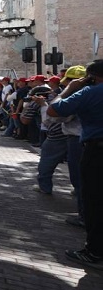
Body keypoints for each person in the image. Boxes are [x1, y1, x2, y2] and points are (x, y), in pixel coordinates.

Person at [47, 60, 103, 269]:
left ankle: (94, 252)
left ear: (92, 77)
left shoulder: (89, 92)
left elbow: (54, 110)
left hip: (97, 151)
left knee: (94, 201)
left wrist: (69, 89)